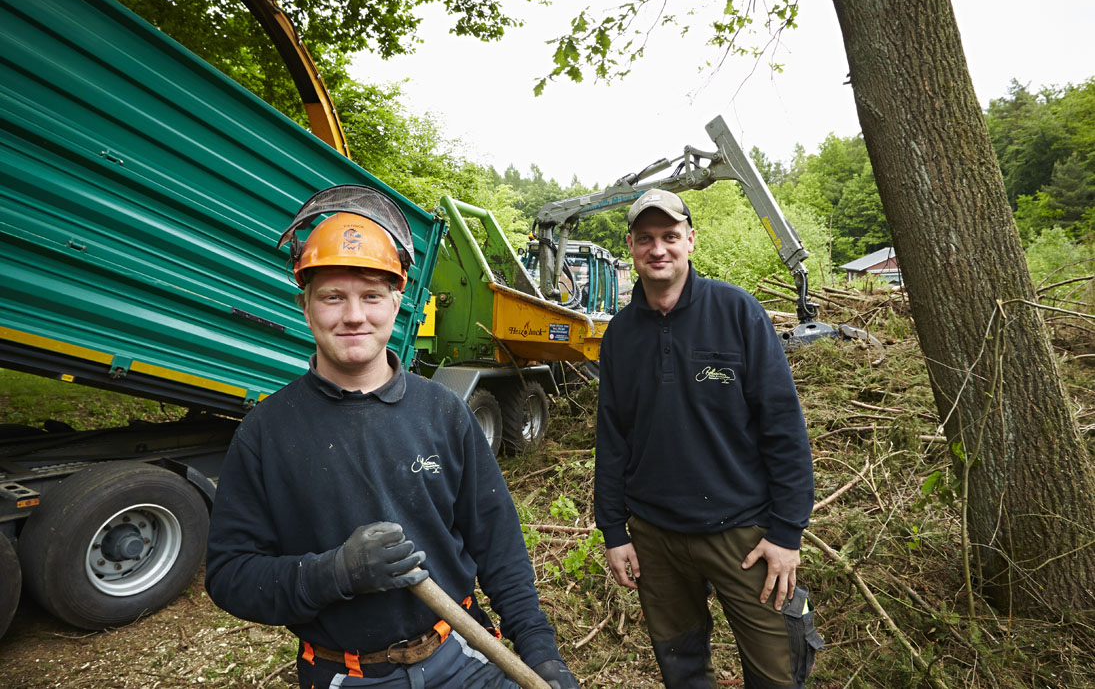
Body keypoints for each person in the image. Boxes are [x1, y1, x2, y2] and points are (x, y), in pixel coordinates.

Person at [206, 184, 579, 689]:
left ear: (397, 301)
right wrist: (334, 573)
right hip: (347, 674)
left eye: (372, 296)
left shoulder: (443, 412)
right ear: (306, 306)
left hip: (461, 655)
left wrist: (541, 652)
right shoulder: (267, 431)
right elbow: (230, 577)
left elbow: (500, 548)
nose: (354, 315)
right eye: (333, 297)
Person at [594, 189, 823, 689]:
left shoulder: (737, 312)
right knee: (682, 669)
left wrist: (787, 532)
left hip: (743, 536)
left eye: (670, 237)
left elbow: (783, 427)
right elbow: (612, 439)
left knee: (777, 671)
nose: (659, 249)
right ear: (631, 246)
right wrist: (613, 530)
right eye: (647, 239)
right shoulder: (620, 334)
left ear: (690, 241)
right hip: (655, 537)